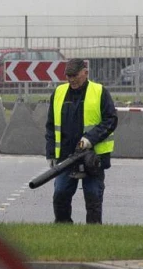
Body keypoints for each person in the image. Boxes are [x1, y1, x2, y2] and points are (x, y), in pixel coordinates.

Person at [44, 59, 118, 224]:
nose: (71, 80)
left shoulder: (99, 92)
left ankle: (93, 231)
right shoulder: (59, 93)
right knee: (60, 194)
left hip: (93, 158)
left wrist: (90, 139)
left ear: (85, 72)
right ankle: (63, 229)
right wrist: (50, 153)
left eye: (74, 75)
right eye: (68, 76)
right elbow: (50, 126)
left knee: (93, 196)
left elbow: (111, 120)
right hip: (66, 157)